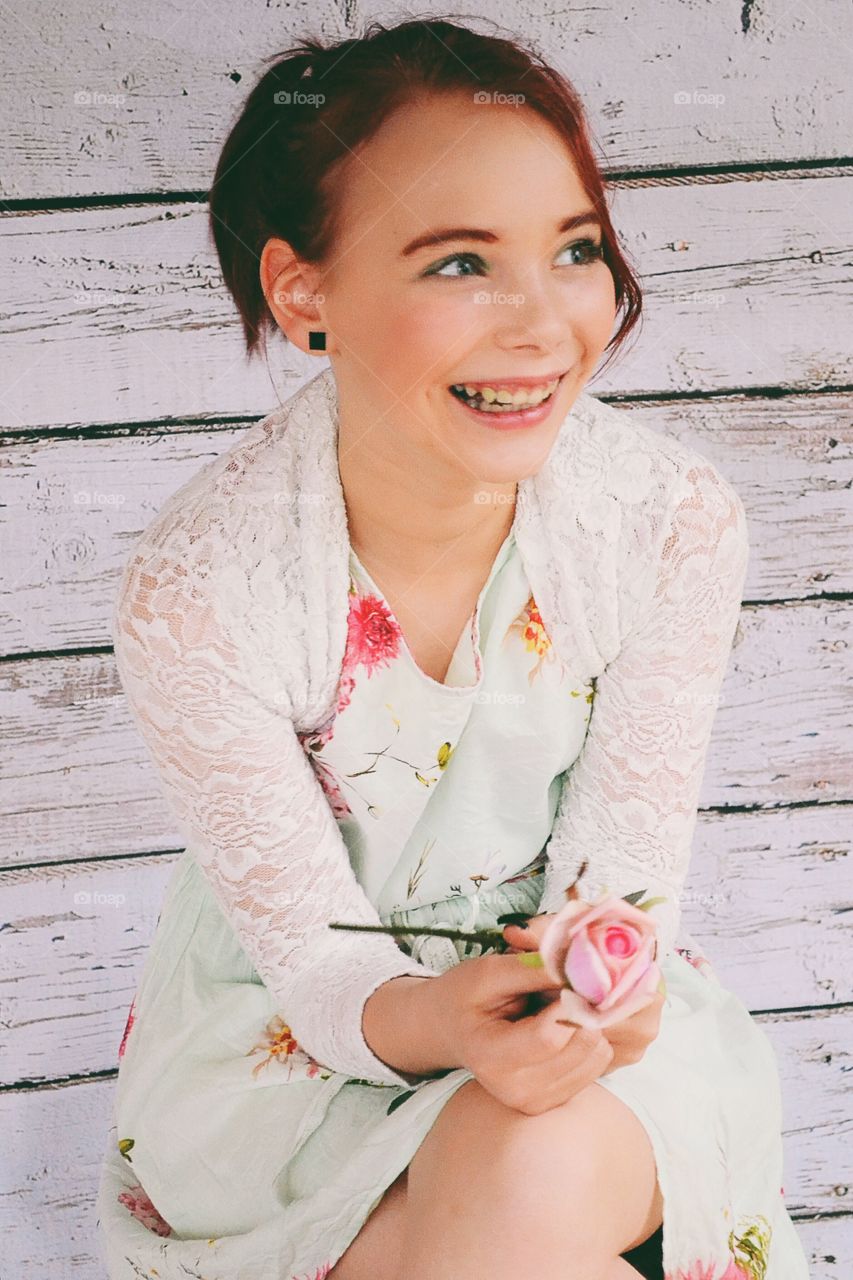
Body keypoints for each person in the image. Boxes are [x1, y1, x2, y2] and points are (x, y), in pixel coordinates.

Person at [95, 17, 811, 1280]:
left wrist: (579, 1004)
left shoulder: (665, 522)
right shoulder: (201, 590)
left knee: (528, 1159)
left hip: (576, 1037)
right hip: (307, 1051)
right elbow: (316, 965)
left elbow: (621, 886)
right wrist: (444, 1019)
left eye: (574, 250)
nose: (544, 324)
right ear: (303, 293)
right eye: (460, 263)